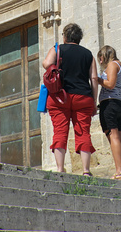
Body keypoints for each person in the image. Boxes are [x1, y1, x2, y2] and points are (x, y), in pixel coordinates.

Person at [42, 23, 98, 175]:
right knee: (83, 132)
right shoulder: (88, 54)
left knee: (60, 131)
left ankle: (60, 169)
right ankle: (86, 170)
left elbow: (46, 64)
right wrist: (94, 101)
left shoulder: (57, 49)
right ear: (79, 38)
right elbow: (93, 78)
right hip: (83, 97)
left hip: (60, 96)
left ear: (65, 36)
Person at [97, 45, 121, 181]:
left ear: (105, 55)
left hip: (110, 104)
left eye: (100, 57)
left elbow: (110, 84)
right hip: (120, 105)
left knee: (114, 137)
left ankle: (119, 171)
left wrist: (97, 79)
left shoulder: (112, 64)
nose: (100, 61)